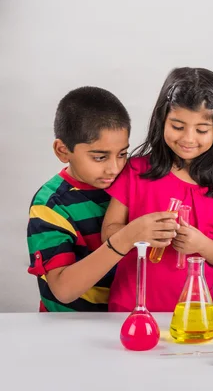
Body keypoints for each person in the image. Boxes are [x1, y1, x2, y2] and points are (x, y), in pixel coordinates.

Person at [102, 68, 213, 312]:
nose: (188, 138)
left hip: (191, 314)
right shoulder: (136, 172)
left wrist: (201, 244)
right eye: (177, 126)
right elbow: (108, 233)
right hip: (129, 307)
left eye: (201, 130)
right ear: (162, 120)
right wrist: (138, 232)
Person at [27, 86, 179, 312]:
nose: (114, 168)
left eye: (122, 154)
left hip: (123, 320)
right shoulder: (50, 205)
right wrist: (126, 237)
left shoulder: (133, 183)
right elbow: (63, 290)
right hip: (66, 329)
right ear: (62, 150)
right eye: (100, 157)